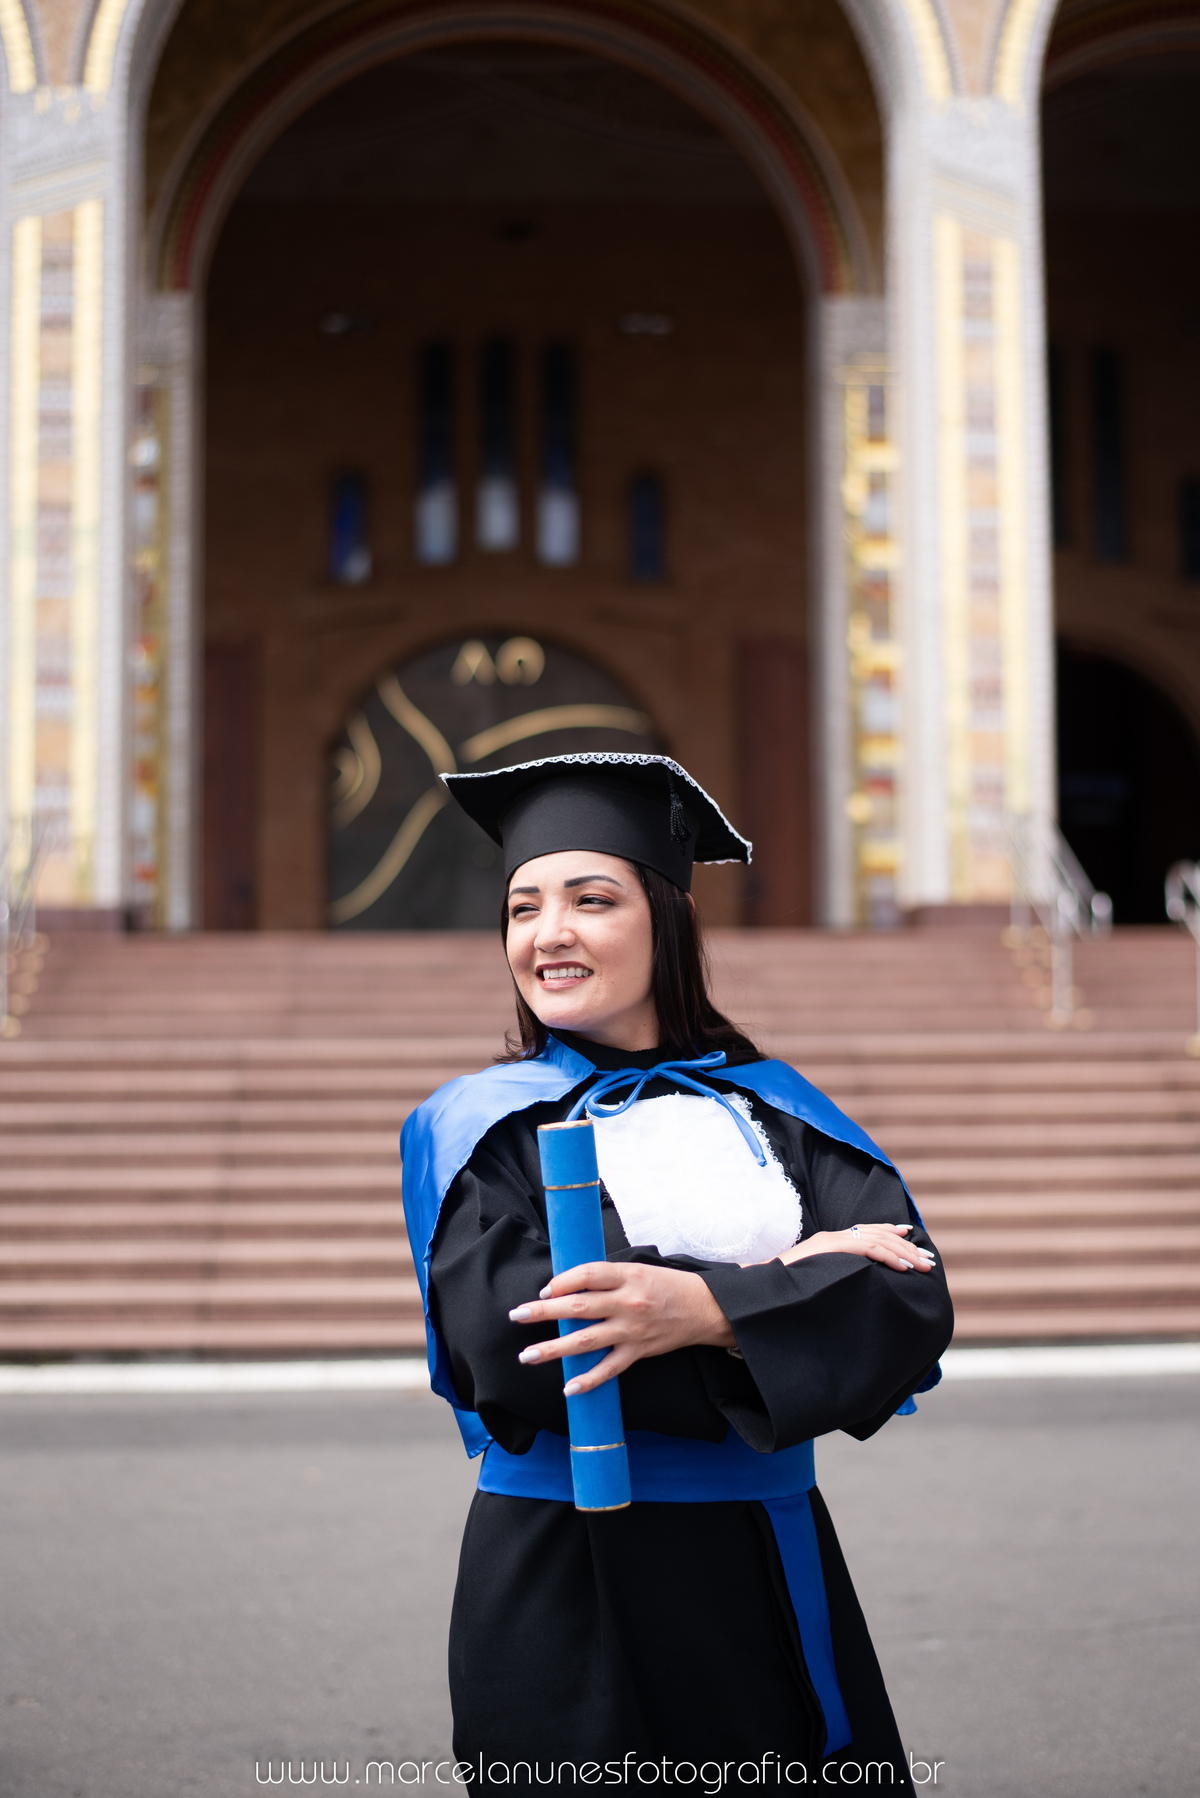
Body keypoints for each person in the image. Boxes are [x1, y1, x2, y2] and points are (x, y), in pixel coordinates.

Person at [400, 753, 953, 1795]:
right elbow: (517, 1346)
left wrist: (692, 1306)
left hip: (768, 1574)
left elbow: (909, 1296)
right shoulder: (482, 1126)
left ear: (666, 919)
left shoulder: (775, 1109)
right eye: (523, 907)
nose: (547, 932)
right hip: (564, 1582)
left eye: (590, 899)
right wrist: (786, 1293)